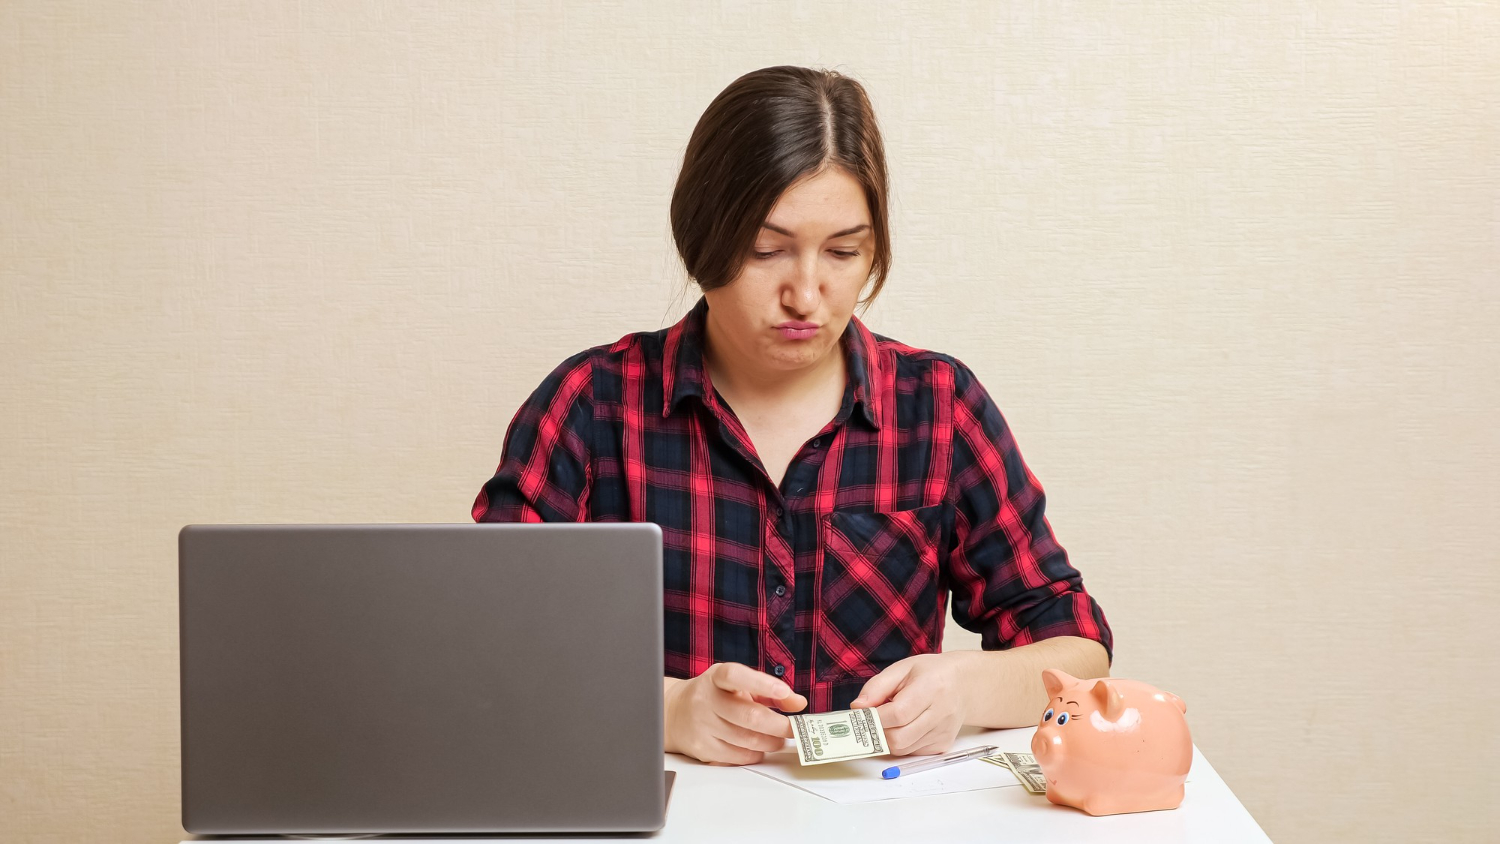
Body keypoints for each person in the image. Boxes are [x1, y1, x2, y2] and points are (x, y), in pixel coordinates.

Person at [472, 65, 1112, 766]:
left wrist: (968, 685)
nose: (806, 293)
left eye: (844, 252)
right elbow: (489, 646)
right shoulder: (592, 406)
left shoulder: (938, 406)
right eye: (765, 251)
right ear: (702, 237)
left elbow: (1076, 645)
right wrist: (666, 709)